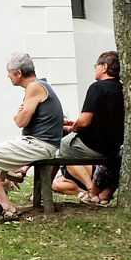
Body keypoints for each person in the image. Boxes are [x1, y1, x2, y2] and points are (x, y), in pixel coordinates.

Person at [0, 52, 66, 225]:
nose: (8, 76)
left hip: (39, 145)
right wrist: (21, 113)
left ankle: (7, 207)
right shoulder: (40, 86)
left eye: (9, 73)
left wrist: (20, 113)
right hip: (38, 143)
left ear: (18, 73)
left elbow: (20, 122)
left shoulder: (34, 87)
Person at [50, 51, 124, 206]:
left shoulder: (97, 88)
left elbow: (84, 121)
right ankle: (101, 194)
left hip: (92, 145)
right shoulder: (122, 89)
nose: (95, 69)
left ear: (104, 67)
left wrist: (73, 128)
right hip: (114, 147)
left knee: (59, 146)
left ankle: (89, 189)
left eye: (96, 66)